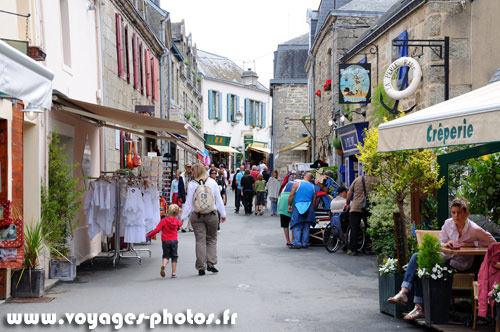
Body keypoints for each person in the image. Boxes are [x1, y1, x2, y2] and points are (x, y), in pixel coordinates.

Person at [388, 198, 496, 320]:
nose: (456, 216)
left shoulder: (474, 229)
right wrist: (446, 244)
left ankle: (418, 306)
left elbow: (493, 243)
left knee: (424, 265)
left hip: (460, 264)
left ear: (466, 213)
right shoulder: (448, 223)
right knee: (418, 258)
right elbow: (439, 243)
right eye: (453, 212)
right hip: (445, 258)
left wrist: (470, 244)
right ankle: (404, 292)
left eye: (459, 212)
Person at [180, 163, 226, 276]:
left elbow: (189, 204)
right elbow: (218, 200)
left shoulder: (192, 184)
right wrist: (223, 214)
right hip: (211, 214)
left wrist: (183, 217)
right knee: (211, 239)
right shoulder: (212, 182)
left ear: (195, 172)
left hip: (197, 215)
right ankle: (211, 264)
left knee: (200, 241)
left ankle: (201, 267)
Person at [344, 174, 378, 256]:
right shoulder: (376, 181)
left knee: (354, 228)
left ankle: (353, 249)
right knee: (368, 228)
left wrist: (347, 203)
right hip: (369, 207)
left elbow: (349, 192)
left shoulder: (358, 179)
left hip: (355, 207)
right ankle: (368, 248)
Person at [146, 204, 183, 278]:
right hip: (174, 240)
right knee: (174, 256)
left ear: (168, 211)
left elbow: (157, 230)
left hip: (165, 241)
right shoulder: (176, 220)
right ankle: (173, 273)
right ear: (176, 213)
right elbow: (180, 224)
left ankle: (163, 265)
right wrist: (182, 219)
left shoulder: (163, 220)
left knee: (166, 255)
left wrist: (148, 235)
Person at [288, 172, 316, 249]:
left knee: (297, 225)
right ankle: (304, 243)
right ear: (310, 179)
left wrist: (289, 205)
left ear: (304, 177)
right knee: (306, 226)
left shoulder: (297, 184)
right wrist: (312, 209)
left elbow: (291, 195)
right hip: (309, 206)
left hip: (298, 206)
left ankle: (297, 242)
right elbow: (314, 200)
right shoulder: (313, 187)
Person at [277, 180, 295, 246]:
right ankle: (293, 240)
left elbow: (281, 193)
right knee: (293, 224)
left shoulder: (286, 186)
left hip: (282, 205)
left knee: (285, 225)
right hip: (291, 204)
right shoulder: (296, 185)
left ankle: (288, 241)